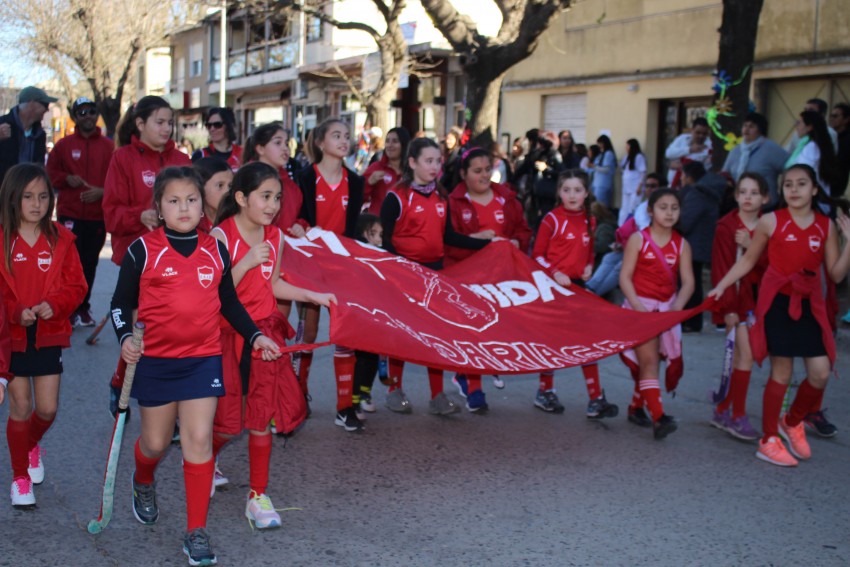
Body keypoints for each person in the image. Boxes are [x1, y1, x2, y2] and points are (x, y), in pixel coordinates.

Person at [110, 166, 281, 564]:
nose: (184, 208)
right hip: (155, 362)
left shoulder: (215, 248)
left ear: (202, 208)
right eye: (173, 201)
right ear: (159, 207)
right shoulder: (142, 249)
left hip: (203, 360)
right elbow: (119, 304)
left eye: (191, 200)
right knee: (153, 443)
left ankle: (196, 531)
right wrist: (124, 339)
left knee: (198, 442)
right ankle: (143, 478)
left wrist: (256, 335)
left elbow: (229, 303)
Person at [210, 162, 335, 528]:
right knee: (228, 423)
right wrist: (246, 261)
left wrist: (313, 294)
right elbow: (216, 293)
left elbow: (273, 283)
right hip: (229, 334)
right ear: (240, 198)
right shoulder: (221, 236)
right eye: (264, 196)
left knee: (261, 415)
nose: (272, 205)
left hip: (265, 334)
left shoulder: (275, 236)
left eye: (277, 197)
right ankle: (205, 458)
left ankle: (257, 495)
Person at [708, 164, 850, 466]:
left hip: (810, 304)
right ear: (782, 190)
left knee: (821, 372)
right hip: (776, 303)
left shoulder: (825, 226)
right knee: (781, 373)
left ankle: (793, 420)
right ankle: (768, 439)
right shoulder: (770, 222)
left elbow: (836, 275)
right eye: (789, 185)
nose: (795, 190)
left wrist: (849, 242)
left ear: (813, 189)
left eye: (801, 184)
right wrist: (720, 287)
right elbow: (747, 261)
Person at [380, 137, 492, 415]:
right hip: (404, 275)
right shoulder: (396, 196)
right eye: (428, 161)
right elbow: (384, 241)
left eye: (438, 161)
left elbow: (450, 237)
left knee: (437, 336)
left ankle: (437, 395)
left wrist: (489, 245)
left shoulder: (442, 196)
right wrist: (401, 269)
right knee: (401, 335)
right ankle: (395, 390)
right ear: (412, 163)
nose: (434, 166)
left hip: (435, 274)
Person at [0, 164, 87, 508]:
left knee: (47, 409)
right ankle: (20, 477)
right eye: (27, 197)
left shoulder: (61, 240)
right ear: (12, 198)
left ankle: (30, 445)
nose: (36, 204)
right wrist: (14, 311)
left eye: (42, 196)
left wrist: (56, 304)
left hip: (50, 331)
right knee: (21, 407)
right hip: (13, 335)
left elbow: (77, 285)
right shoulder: (4, 238)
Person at [445, 147, 532, 411]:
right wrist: (477, 242)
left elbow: (523, 231)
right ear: (463, 174)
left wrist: (516, 241)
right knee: (474, 331)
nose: (484, 176)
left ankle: (468, 371)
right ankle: (474, 389)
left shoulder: (508, 198)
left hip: (501, 280)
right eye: (477, 171)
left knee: (496, 330)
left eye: (487, 170)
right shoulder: (452, 203)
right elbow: (449, 244)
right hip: (467, 279)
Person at [293, 118, 364, 429]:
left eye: (347, 136)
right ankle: (298, 397)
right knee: (308, 333)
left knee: (345, 334)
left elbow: (355, 232)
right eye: (336, 135)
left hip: (342, 267)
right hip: (309, 265)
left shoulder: (356, 182)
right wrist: (300, 227)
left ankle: (344, 407)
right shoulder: (305, 177)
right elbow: (296, 217)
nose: (344, 140)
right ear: (320, 143)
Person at [531, 170, 619, 418]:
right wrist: (555, 272)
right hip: (553, 289)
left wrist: (590, 266)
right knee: (552, 342)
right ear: (559, 192)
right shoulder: (551, 219)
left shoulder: (590, 220)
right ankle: (544, 392)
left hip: (578, 289)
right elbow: (536, 255)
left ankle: (596, 399)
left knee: (587, 342)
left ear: (586, 193)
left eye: (577, 190)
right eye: (566, 190)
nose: (572, 195)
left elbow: (589, 251)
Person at [619, 188, 694, 439]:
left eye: (674, 207)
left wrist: (677, 308)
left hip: (666, 312)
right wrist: (638, 308)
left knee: (653, 363)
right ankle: (659, 418)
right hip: (640, 310)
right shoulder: (638, 239)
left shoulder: (682, 244)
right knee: (649, 362)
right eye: (663, 207)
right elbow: (625, 277)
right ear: (650, 211)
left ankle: (636, 406)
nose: (669, 212)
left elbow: (689, 282)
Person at [709, 173, 770, 440]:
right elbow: (721, 268)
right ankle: (738, 416)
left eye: (754, 192)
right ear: (735, 196)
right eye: (743, 192)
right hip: (735, 302)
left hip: (761, 301)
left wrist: (752, 248)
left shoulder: (768, 226)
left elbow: (772, 267)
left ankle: (723, 409)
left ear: (765, 198)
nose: (747, 197)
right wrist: (728, 308)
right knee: (744, 356)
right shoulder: (726, 226)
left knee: (742, 358)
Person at [46, 97, 114, 327]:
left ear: (97, 115)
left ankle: (83, 308)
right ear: (75, 117)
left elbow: (118, 182)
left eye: (91, 111)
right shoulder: (63, 145)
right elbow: (50, 173)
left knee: (89, 264)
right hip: (70, 214)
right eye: (81, 112)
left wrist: (102, 192)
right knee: (66, 263)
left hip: (96, 217)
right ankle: (67, 309)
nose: (87, 116)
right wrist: (65, 179)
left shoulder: (108, 146)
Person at [585, 173, 663, 297]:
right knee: (609, 258)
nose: (649, 189)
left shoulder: (664, 208)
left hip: (653, 250)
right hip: (635, 247)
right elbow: (633, 230)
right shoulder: (641, 207)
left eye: (653, 186)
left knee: (621, 267)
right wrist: (622, 244)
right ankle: (590, 287)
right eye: (647, 186)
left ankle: (594, 295)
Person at [678, 161, 725, 333]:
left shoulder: (696, 194)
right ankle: (691, 320)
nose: (681, 179)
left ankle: (690, 321)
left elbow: (686, 222)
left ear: (689, 177)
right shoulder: (705, 193)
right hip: (699, 244)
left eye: (682, 175)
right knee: (693, 282)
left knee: (689, 283)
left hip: (693, 245)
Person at [243, 122, 303, 238]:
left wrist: (299, 225)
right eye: (278, 143)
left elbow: (294, 217)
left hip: (287, 248)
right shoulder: (246, 182)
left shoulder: (290, 185)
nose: (285, 148)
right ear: (260, 149)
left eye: (286, 143)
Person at [351, 213, 384, 418]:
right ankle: (353, 400)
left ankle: (365, 392)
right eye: (372, 234)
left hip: (377, 318)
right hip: (359, 319)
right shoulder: (356, 257)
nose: (378, 240)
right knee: (359, 357)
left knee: (373, 355)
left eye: (381, 234)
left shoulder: (385, 257)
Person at [721, 112, 788, 205]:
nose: (746, 129)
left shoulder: (771, 148)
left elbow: (790, 169)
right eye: (745, 125)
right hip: (739, 206)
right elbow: (725, 174)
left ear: (760, 130)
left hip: (766, 207)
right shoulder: (735, 150)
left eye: (751, 126)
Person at [0, 86, 57, 183]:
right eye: (45, 104)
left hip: (27, 192)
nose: (47, 110)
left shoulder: (40, 134)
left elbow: (39, 166)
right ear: (32, 104)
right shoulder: (2, 124)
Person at [786, 110, 840, 203]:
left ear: (809, 127)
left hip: (810, 200)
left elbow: (803, 173)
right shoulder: (815, 145)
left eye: (799, 123)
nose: (797, 126)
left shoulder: (811, 147)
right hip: (815, 198)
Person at [363, 127, 411, 215]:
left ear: (404, 144)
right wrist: (369, 182)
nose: (390, 145)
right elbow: (358, 198)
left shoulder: (412, 171)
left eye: (395, 141)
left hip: (404, 225)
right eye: (387, 141)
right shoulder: (376, 167)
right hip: (379, 224)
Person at [190, 107, 242, 172]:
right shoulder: (200, 155)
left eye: (217, 125)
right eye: (208, 125)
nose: (212, 129)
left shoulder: (242, 154)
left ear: (229, 126)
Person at [664, 117, 712, 187]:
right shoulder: (682, 139)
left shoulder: (709, 147)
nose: (701, 136)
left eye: (704, 134)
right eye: (698, 132)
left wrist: (681, 167)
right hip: (672, 185)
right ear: (692, 130)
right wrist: (689, 150)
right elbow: (668, 153)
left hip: (692, 187)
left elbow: (704, 170)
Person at [192, 158, 232, 233]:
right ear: (200, 188)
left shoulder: (238, 219)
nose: (227, 191)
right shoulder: (191, 224)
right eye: (220, 185)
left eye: (230, 186)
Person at [619, 138, 647, 225]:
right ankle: (621, 226)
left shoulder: (639, 157)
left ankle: (631, 226)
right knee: (624, 209)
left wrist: (640, 186)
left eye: (628, 146)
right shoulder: (627, 156)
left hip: (635, 187)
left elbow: (643, 172)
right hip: (626, 187)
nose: (626, 148)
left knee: (633, 207)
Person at [828, 103, 850, 198]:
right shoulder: (829, 137)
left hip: (841, 189)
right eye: (831, 115)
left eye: (836, 116)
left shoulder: (847, 139)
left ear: (846, 119)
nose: (832, 118)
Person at [588, 135, 616, 207]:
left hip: (603, 184)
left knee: (600, 205)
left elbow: (606, 169)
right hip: (597, 183)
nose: (599, 145)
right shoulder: (600, 155)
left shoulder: (608, 154)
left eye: (601, 143)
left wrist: (594, 166)